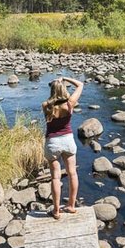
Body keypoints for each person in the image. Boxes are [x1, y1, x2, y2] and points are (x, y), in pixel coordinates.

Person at [41, 76, 84, 219]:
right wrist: (65, 78)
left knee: (55, 177)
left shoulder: (46, 105)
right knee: (72, 173)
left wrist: (56, 82)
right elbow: (80, 84)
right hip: (68, 141)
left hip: (53, 142)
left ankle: (56, 211)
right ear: (63, 89)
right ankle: (71, 205)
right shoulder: (70, 104)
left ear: (52, 90)